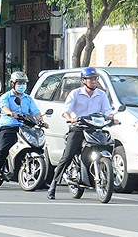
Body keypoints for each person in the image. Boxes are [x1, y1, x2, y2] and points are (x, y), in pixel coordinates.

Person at [47, 67, 109, 200]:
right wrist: (70, 118)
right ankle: (53, 184)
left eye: (95, 79)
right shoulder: (75, 93)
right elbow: (66, 110)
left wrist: (112, 118)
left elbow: (107, 111)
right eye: (91, 79)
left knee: (108, 143)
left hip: (95, 129)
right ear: (83, 80)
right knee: (67, 156)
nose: (94, 81)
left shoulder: (101, 95)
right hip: (78, 128)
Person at [0, 71, 44, 189]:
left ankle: (41, 179)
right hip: (9, 127)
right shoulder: (6, 96)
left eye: (24, 83)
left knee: (38, 147)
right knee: (2, 151)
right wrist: (10, 113)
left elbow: (35, 111)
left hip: (25, 127)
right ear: (12, 84)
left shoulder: (28, 98)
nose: (22, 85)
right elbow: (3, 107)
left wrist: (42, 120)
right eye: (19, 83)